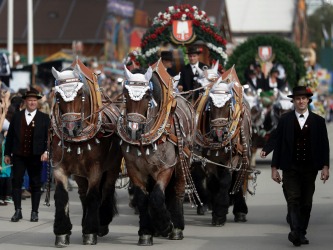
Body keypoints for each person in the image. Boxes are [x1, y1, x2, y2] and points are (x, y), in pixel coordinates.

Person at [270, 86, 330, 246]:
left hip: (310, 168)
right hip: (290, 167)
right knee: (293, 199)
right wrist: (274, 168)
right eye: (298, 99)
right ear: (294, 101)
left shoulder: (318, 121)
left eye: (304, 98)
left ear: (308, 100)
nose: (301, 101)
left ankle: (301, 232)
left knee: (306, 202)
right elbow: (279, 144)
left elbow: (324, 145)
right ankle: (295, 232)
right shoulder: (285, 120)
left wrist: (325, 167)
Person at [4, 89, 50, 222]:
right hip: (19, 155)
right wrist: (7, 153)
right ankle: (17, 211)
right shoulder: (17, 116)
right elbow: (11, 137)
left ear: (37, 102)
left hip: (36, 156)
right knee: (16, 182)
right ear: (25, 101)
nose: (32, 102)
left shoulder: (44, 118)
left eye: (35, 100)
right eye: (30, 100)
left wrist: (46, 152)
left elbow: (49, 138)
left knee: (35, 184)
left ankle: (34, 212)